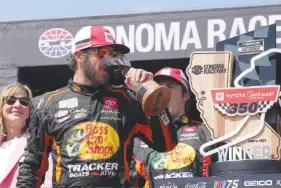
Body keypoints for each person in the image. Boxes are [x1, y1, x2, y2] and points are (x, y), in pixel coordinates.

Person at [17, 25, 177, 188]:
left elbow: (167, 144)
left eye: (114, 54)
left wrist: (152, 96)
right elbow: (31, 167)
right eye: (102, 53)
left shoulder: (126, 99)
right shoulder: (47, 104)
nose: (109, 61)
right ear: (79, 55)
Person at [132, 67, 213, 188]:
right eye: (158, 88)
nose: (162, 93)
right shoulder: (140, 137)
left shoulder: (205, 131)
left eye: (169, 87)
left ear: (185, 95)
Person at [0, 83, 52, 188]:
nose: (17, 105)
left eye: (24, 102)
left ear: (29, 111)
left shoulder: (38, 143)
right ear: (2, 107)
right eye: (11, 100)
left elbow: (49, 182)